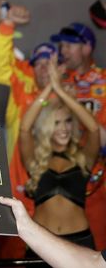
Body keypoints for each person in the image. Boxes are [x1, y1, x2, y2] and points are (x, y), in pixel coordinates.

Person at [0, 0, 52, 257]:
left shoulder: (71, 92)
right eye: (39, 62)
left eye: (51, 60)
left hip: (63, 199)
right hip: (21, 200)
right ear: (31, 68)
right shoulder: (21, 94)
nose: (45, 66)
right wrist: (7, 24)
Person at [19, 59, 100, 253]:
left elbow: (94, 129)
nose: (63, 128)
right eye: (56, 123)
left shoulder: (83, 158)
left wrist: (61, 91)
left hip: (79, 243)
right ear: (46, 127)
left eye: (67, 121)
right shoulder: (36, 160)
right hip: (41, 244)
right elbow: (24, 128)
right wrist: (50, 88)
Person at [50, 22, 106, 249]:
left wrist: (71, 104)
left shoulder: (104, 82)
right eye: (61, 46)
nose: (62, 51)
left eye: (69, 45)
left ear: (87, 48)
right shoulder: (60, 82)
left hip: (97, 184)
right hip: (60, 182)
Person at [1, 196, 106, 267]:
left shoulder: (86, 163)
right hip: (44, 242)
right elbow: (96, 263)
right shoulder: (34, 164)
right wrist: (24, 227)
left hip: (80, 236)